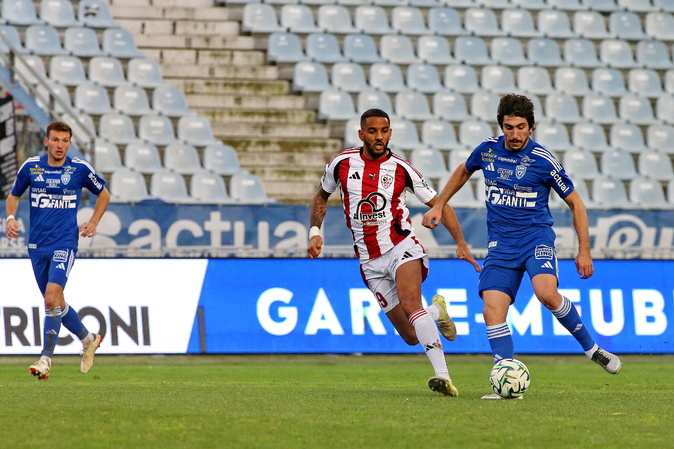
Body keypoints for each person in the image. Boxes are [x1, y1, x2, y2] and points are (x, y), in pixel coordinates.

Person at [422, 94, 622, 399]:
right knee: (492, 310)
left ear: (531, 127)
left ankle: (592, 349)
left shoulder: (543, 160)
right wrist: (439, 205)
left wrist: (584, 250)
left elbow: (576, 204)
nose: (514, 134)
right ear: (501, 126)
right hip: (500, 247)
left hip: (535, 239)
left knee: (546, 293)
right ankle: (506, 378)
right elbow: (464, 170)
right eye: (508, 127)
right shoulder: (488, 151)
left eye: (520, 127)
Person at [307, 108, 480, 396]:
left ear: (390, 133)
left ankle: (443, 377)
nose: (379, 137)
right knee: (412, 336)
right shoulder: (341, 164)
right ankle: (437, 310)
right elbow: (322, 196)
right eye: (372, 131)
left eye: (384, 131)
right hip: (370, 261)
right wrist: (315, 232)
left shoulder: (402, 169)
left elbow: (439, 204)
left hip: (402, 247)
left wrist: (460, 243)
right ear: (361, 134)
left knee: (412, 304)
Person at [5, 121, 110, 380]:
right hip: (37, 245)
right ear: (47, 141)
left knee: (51, 298)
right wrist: (10, 218)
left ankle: (45, 360)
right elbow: (14, 195)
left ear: (70, 143)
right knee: (57, 303)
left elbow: (104, 194)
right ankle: (88, 339)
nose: (60, 145)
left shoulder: (79, 169)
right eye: (55, 140)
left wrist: (93, 222)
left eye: (65, 141)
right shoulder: (31, 167)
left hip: (65, 242)